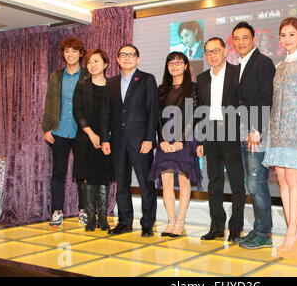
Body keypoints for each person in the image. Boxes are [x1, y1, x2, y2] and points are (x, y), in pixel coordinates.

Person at [262, 17, 297, 257]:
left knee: (293, 180)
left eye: (292, 34)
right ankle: (292, 229)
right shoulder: (279, 66)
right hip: (277, 130)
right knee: (283, 179)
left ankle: (292, 232)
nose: (287, 39)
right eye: (283, 35)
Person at [101, 44, 159, 237]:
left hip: (141, 140)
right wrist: (104, 139)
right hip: (117, 141)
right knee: (122, 184)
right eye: (123, 55)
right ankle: (125, 222)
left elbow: (153, 111)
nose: (127, 58)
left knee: (145, 184)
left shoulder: (147, 79)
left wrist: (150, 138)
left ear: (137, 59)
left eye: (131, 55)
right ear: (117, 60)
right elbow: (106, 113)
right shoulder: (111, 82)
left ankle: (147, 224)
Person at [196, 37, 246, 242]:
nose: (212, 55)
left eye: (216, 51)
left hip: (233, 134)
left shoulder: (238, 72)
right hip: (210, 134)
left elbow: (246, 102)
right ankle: (216, 226)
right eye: (208, 52)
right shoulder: (201, 78)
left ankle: (236, 228)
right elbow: (199, 111)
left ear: (225, 51)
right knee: (214, 182)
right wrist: (200, 141)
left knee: (236, 183)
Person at [231, 21, 276, 249]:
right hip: (243, 132)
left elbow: (266, 98)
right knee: (252, 184)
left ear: (253, 39)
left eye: (245, 38)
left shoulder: (263, 62)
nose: (240, 42)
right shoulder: (240, 65)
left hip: (257, 133)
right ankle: (259, 229)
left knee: (258, 184)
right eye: (236, 38)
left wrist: (256, 130)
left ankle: (264, 234)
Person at [148, 52, 201, 237]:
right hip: (165, 141)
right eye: (171, 63)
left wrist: (182, 140)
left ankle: (181, 221)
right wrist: (162, 141)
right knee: (166, 181)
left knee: (184, 181)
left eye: (179, 63)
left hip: (185, 140)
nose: (174, 66)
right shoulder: (161, 88)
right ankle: (170, 221)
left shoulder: (194, 88)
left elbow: (194, 115)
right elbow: (157, 116)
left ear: (186, 66)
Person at [42, 37, 88, 227]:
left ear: (80, 54)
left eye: (74, 51)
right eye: (67, 51)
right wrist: (46, 128)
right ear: (63, 54)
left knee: (83, 173)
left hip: (81, 132)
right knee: (58, 172)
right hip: (59, 130)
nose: (70, 54)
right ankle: (57, 211)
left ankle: (84, 210)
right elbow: (49, 102)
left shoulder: (87, 75)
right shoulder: (56, 76)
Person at [73, 49, 114, 232]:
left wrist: (105, 137)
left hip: (107, 138)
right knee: (88, 177)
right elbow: (78, 111)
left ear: (105, 64)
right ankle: (90, 217)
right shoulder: (82, 85)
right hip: (85, 137)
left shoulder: (113, 86)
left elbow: (116, 113)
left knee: (104, 176)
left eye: (96, 61)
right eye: (89, 62)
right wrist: (91, 133)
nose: (92, 65)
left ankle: (103, 217)